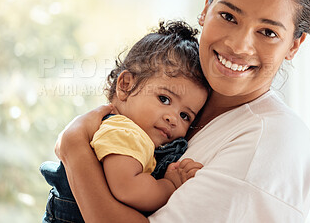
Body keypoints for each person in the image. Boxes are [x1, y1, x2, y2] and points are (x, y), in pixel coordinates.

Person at [54, 0, 310, 222]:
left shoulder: (271, 142)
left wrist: (75, 148)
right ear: (206, 8)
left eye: (268, 32)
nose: (239, 45)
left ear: (294, 45)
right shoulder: (185, 95)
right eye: (229, 16)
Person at [41, 20, 209, 222]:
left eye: (185, 116)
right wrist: (169, 186)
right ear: (126, 85)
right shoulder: (124, 132)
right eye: (164, 99)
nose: (172, 118)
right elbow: (128, 189)